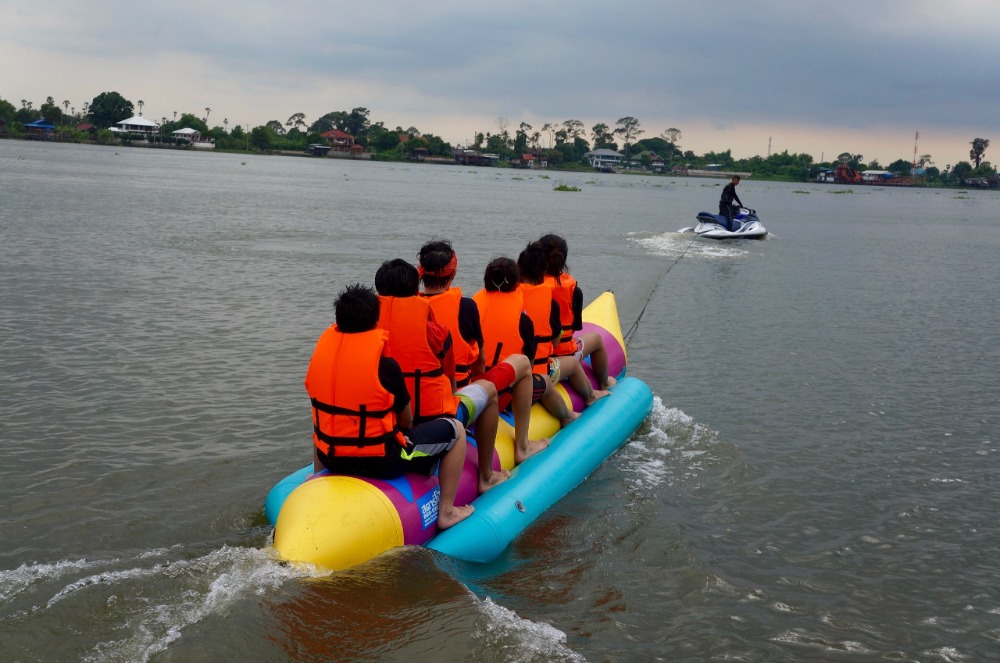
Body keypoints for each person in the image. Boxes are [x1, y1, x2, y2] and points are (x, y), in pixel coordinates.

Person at [304, 283, 472, 529]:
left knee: (324, 420)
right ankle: (447, 511)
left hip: (330, 458)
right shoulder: (386, 367)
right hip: (381, 462)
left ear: (338, 321)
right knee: (455, 430)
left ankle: (315, 476)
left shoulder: (321, 359)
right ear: (376, 322)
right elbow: (406, 421)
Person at [375, 258, 511, 490]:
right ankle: (486, 476)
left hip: (383, 427)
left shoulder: (369, 335)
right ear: (414, 291)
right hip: (428, 423)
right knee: (489, 393)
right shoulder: (437, 333)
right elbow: (450, 383)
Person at [516, 242, 610, 406]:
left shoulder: (512, 296)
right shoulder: (560, 297)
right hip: (550, 361)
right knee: (594, 340)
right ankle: (598, 389)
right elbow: (565, 335)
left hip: (514, 367)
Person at [536, 233, 616, 391]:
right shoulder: (574, 291)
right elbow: (574, 328)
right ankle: (604, 383)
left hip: (534, 357)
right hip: (560, 356)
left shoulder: (529, 286)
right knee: (596, 339)